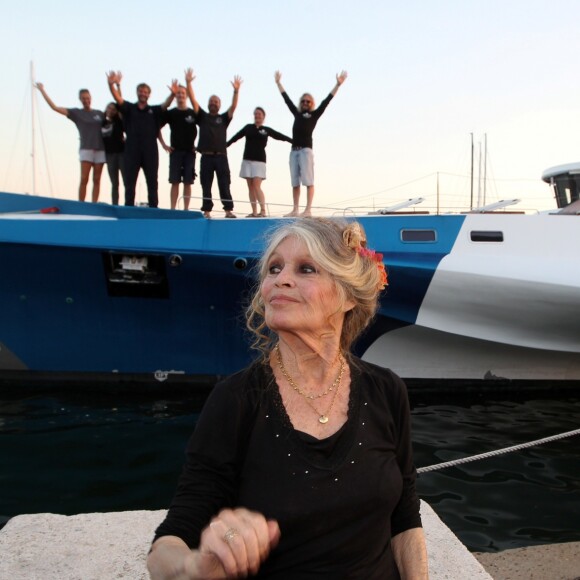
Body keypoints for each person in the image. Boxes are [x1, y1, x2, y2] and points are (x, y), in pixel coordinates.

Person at [147, 218, 428, 579]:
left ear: (346, 296)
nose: (281, 279)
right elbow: (168, 544)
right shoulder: (235, 400)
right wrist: (192, 565)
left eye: (306, 269)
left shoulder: (387, 390)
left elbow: (405, 516)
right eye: (274, 268)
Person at [274, 71, 348, 217]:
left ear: (312, 103)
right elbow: (286, 99)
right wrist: (278, 83)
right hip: (293, 150)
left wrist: (337, 85)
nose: (305, 103)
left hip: (306, 150)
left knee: (308, 180)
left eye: (308, 101)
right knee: (295, 182)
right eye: (303, 101)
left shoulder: (314, 115)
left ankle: (308, 209)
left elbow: (327, 100)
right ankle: (295, 209)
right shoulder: (297, 113)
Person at [106, 71, 176, 208]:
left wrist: (172, 94)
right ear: (137, 93)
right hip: (132, 151)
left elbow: (165, 105)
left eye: (145, 92)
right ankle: (129, 209)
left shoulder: (154, 110)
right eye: (141, 91)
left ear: (149, 94)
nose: (143, 94)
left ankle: (153, 209)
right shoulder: (129, 108)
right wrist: (111, 85)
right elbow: (118, 99)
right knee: (130, 182)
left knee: (152, 182)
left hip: (150, 151)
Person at [185, 67, 241, 219]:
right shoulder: (202, 116)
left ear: (219, 105)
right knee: (206, 184)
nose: (213, 103)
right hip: (206, 157)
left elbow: (233, 107)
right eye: (211, 101)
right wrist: (188, 83)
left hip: (221, 157)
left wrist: (236, 91)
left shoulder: (223, 118)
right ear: (208, 104)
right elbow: (193, 100)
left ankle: (228, 210)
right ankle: (207, 211)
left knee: (224, 184)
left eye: (216, 102)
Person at [35, 83, 105, 202]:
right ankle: (81, 204)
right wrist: (42, 90)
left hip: (100, 149)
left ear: (91, 98)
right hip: (86, 149)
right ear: (80, 100)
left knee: (97, 179)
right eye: (83, 98)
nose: (86, 100)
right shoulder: (76, 113)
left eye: (88, 98)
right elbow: (55, 107)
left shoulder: (99, 114)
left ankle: (94, 204)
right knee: (84, 178)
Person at [227, 107, 291, 217]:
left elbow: (279, 136)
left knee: (256, 185)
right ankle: (254, 211)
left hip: (259, 161)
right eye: (256, 114)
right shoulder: (248, 128)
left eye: (259, 114)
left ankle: (263, 210)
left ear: (263, 116)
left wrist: (292, 140)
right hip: (247, 160)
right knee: (250, 187)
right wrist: (225, 145)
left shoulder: (266, 130)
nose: (257, 116)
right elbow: (236, 137)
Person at [158, 84, 197, 210]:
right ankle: (173, 209)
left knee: (188, 182)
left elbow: (205, 128)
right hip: (175, 151)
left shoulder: (193, 113)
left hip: (189, 152)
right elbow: (157, 127)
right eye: (178, 93)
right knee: (174, 181)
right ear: (175, 96)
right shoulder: (171, 113)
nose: (181, 95)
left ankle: (186, 209)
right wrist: (164, 144)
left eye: (183, 93)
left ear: (186, 96)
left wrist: (198, 146)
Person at [101, 102, 125, 205]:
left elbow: (121, 106)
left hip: (121, 153)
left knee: (127, 181)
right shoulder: (102, 123)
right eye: (109, 108)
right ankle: (115, 204)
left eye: (113, 109)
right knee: (114, 183)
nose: (111, 110)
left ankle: (129, 203)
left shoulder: (119, 121)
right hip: (109, 155)